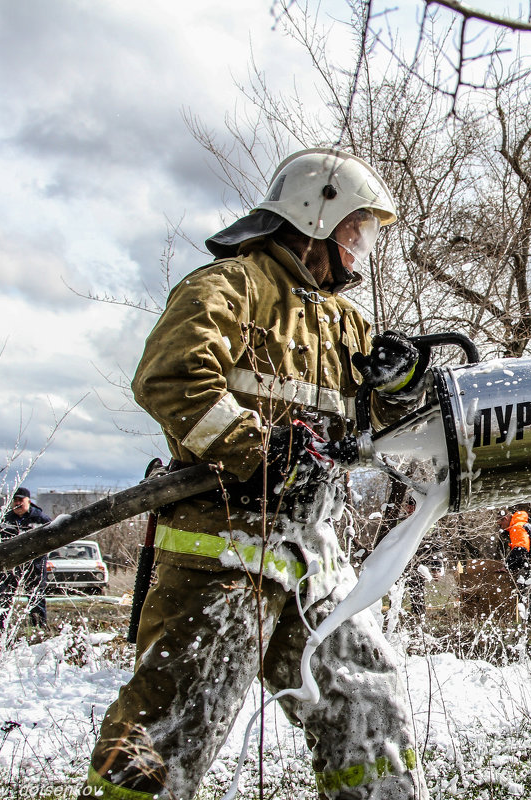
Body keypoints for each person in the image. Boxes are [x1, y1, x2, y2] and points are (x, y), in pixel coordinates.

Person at [85, 149, 428, 800]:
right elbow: (172, 380)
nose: (361, 247)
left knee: (366, 705)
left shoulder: (348, 324)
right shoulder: (227, 288)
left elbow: (380, 426)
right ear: (315, 214)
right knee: (168, 734)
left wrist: (402, 386)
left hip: (315, 562)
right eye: (357, 229)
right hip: (223, 556)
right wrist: (261, 448)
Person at [0, 487, 52, 630]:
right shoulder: (6, 519)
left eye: (21, 500)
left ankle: (39, 627)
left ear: (29, 501)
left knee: (36, 596)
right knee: (3, 595)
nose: (18, 503)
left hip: (34, 564)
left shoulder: (40, 518)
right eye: (15, 500)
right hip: (11, 565)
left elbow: (52, 538)